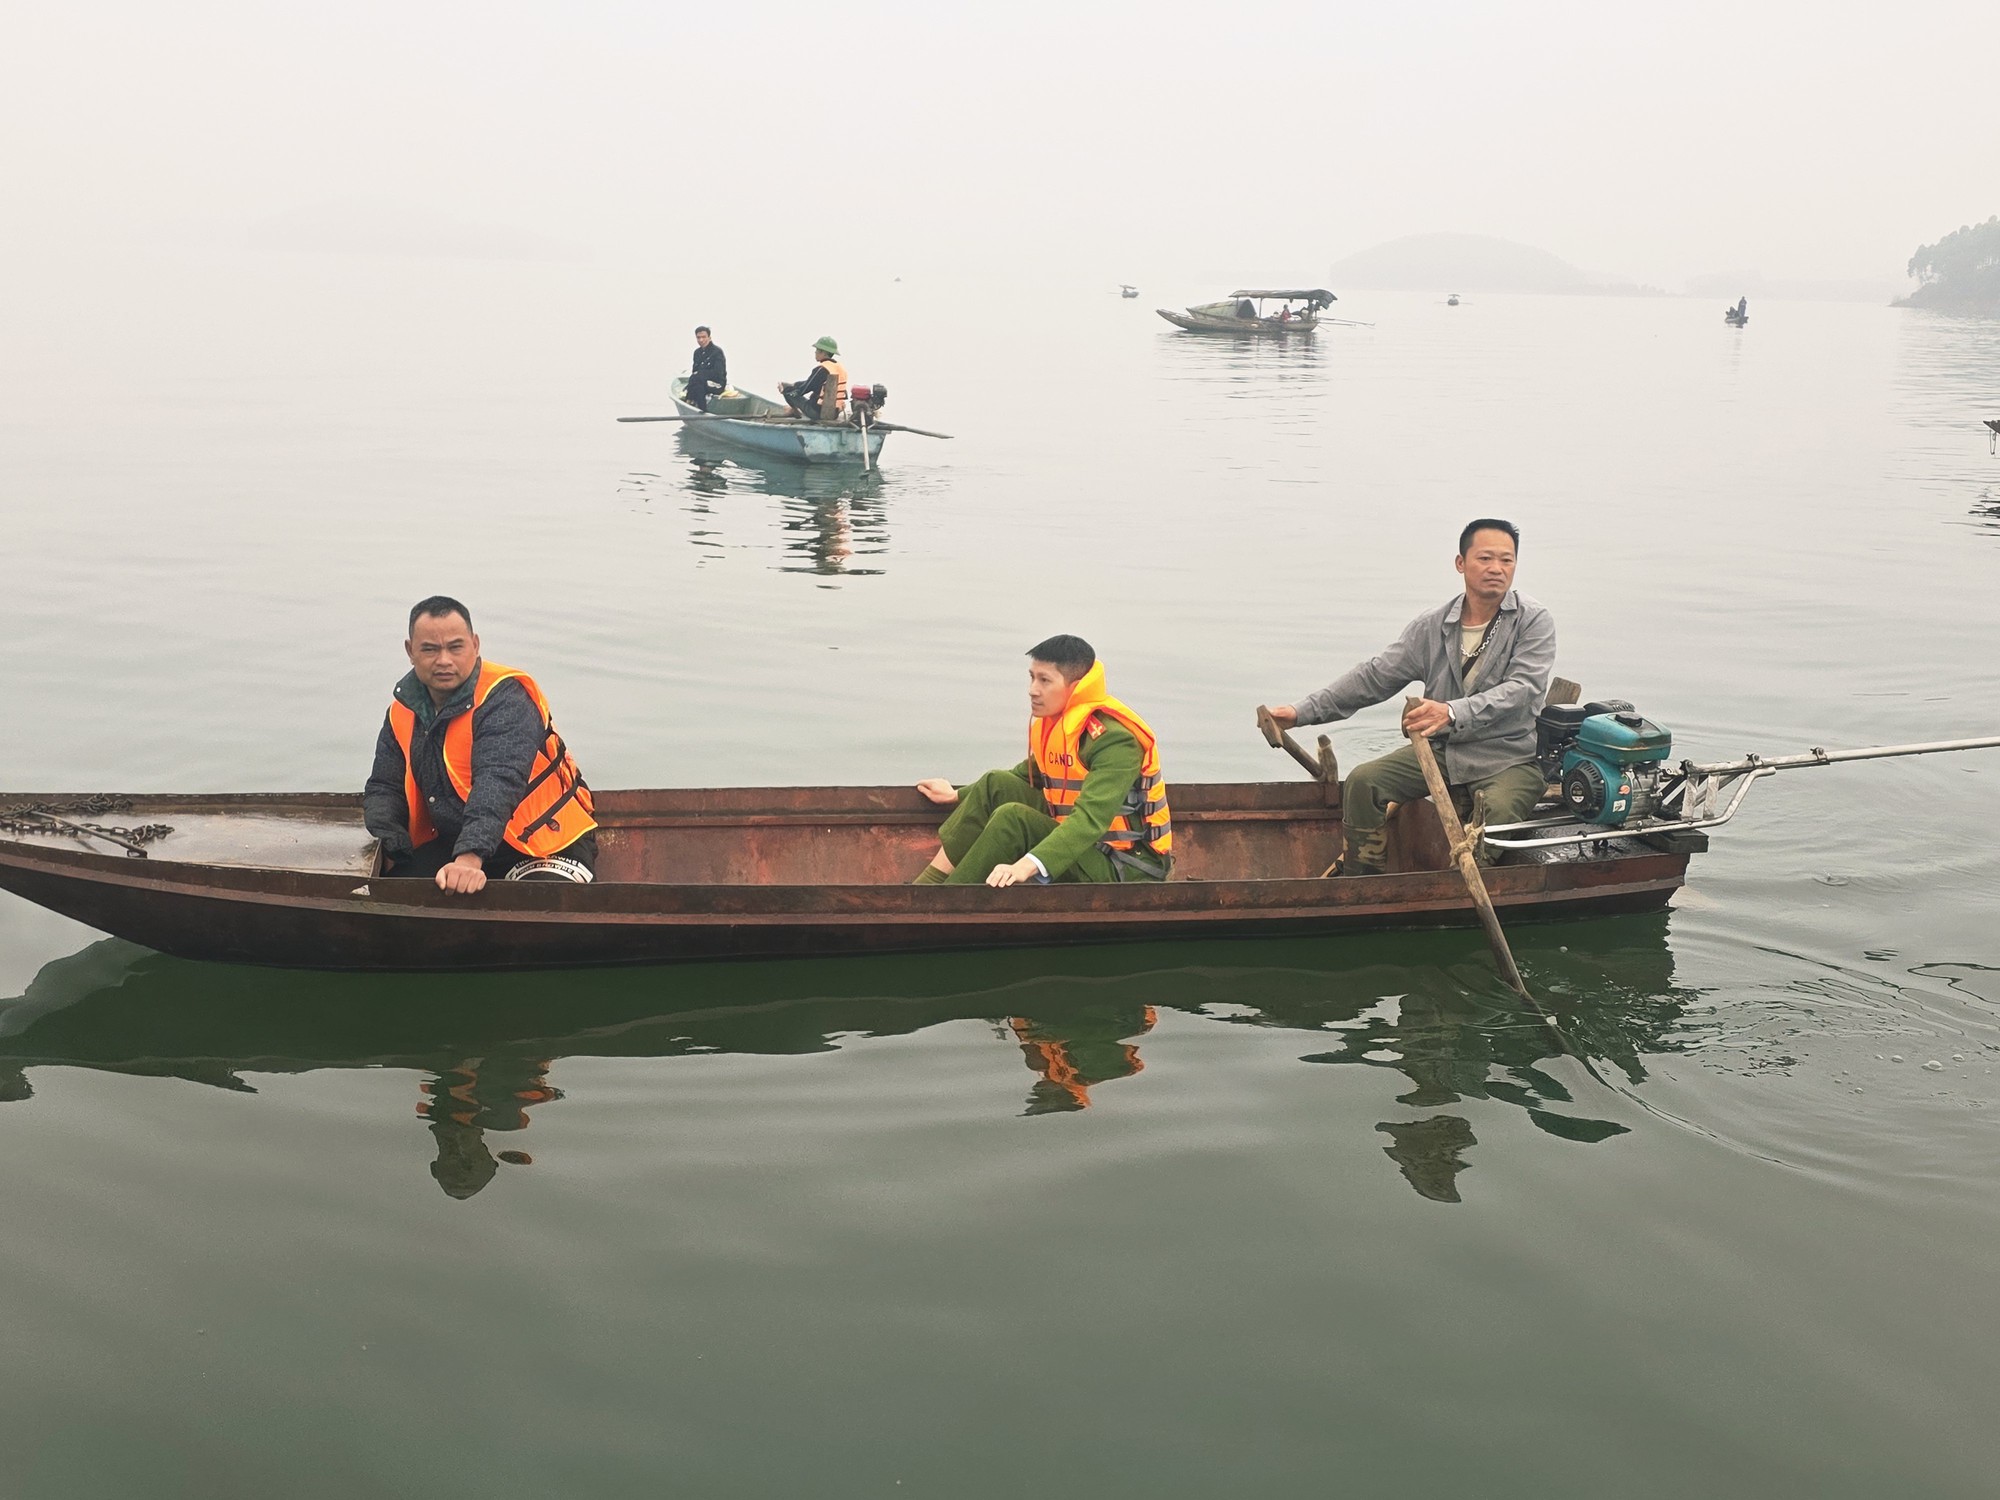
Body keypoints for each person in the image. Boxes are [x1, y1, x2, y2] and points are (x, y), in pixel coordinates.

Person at [1263, 519, 1554, 876]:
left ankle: (1454, 891)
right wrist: (1300, 712)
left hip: (1509, 757)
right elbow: (1374, 677)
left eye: (1506, 560)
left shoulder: (1533, 621)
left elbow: (1522, 690)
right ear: (1461, 563)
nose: (1496, 569)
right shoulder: (1433, 626)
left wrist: (1450, 712)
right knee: (1363, 783)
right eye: (1485, 558)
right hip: (1444, 752)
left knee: (1491, 817)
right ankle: (1364, 882)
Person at [364, 596, 598, 892]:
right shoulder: (402, 711)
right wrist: (392, 850)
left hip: (543, 845)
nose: (444, 660)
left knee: (541, 902)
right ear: (410, 651)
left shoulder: (505, 698)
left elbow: (498, 780)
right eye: (430, 649)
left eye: (455, 647)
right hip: (457, 843)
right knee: (391, 891)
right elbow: (385, 787)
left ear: (475, 645)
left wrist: (469, 858)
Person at [913, 635, 1173, 888]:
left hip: (1125, 866)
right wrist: (957, 795)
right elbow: (1022, 775)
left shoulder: (1114, 742)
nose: (1032, 690)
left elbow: (1089, 820)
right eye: (1032, 677)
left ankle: (941, 904)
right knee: (996, 783)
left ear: (1075, 686)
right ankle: (928, 886)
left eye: (1044, 680)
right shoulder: (1061, 726)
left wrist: (1024, 865)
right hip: (1086, 846)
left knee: (1013, 819)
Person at [778, 336, 847, 422]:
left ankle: (794, 411)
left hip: (817, 412)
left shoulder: (821, 369)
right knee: (793, 389)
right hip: (834, 413)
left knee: (787, 390)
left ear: (824, 353)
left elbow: (804, 389)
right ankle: (793, 409)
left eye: (817, 350)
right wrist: (795, 384)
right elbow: (812, 383)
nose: (815, 352)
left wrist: (787, 391)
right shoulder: (840, 368)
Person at [687, 325, 727, 411]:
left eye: (704, 337)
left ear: (709, 337)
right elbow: (695, 371)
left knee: (698, 385)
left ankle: (703, 411)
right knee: (695, 382)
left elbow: (718, 373)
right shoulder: (697, 353)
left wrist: (700, 375)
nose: (701, 340)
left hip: (717, 384)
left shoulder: (717, 352)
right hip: (700, 381)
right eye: (698, 337)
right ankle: (691, 402)